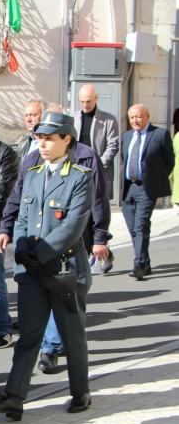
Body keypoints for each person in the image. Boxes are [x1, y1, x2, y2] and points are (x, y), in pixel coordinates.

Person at [0, 112, 94, 420]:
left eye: (49, 139)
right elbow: (20, 216)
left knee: (72, 334)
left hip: (63, 271)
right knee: (29, 336)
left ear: (66, 140)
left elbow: (72, 226)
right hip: (32, 271)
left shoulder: (80, 178)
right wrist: (20, 248)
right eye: (39, 139)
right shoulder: (32, 173)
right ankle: (14, 396)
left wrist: (40, 254)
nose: (42, 145)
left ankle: (80, 391)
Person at [120, 103, 175, 279]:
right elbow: (124, 158)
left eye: (138, 116)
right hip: (129, 188)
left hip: (146, 188)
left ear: (147, 116)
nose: (135, 120)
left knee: (140, 225)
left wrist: (154, 179)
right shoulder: (127, 136)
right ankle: (146, 261)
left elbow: (169, 161)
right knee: (135, 229)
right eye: (132, 117)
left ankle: (139, 265)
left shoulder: (160, 134)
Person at [75, 84, 120, 198]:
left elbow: (113, 146)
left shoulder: (108, 120)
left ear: (96, 99)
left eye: (88, 101)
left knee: (97, 205)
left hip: (98, 167)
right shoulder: (74, 118)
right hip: (77, 166)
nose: (85, 105)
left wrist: (100, 164)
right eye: (82, 102)